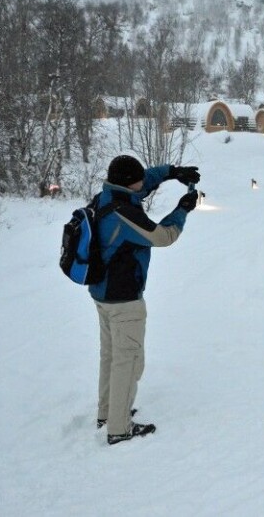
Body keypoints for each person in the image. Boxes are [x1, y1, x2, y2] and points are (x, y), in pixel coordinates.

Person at [91, 154, 201, 445]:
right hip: (124, 298)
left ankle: (107, 412)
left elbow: (144, 181)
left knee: (111, 355)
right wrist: (182, 209)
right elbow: (163, 236)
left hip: (103, 294)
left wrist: (172, 172)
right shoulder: (124, 213)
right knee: (128, 359)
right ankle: (119, 427)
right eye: (138, 179)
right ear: (129, 183)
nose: (143, 183)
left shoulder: (106, 196)